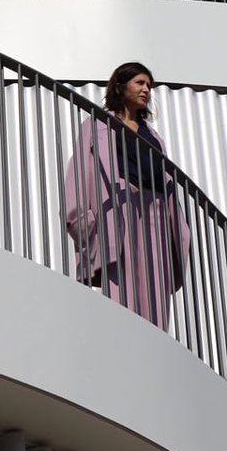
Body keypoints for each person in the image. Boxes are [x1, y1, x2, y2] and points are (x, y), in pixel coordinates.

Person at [62, 62, 190, 328]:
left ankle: (155, 344)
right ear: (121, 86)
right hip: (120, 207)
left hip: (155, 209)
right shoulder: (97, 124)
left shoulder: (153, 135)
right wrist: (84, 223)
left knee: (156, 286)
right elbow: (79, 173)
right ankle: (127, 344)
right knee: (124, 287)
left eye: (149, 86)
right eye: (139, 83)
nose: (146, 90)